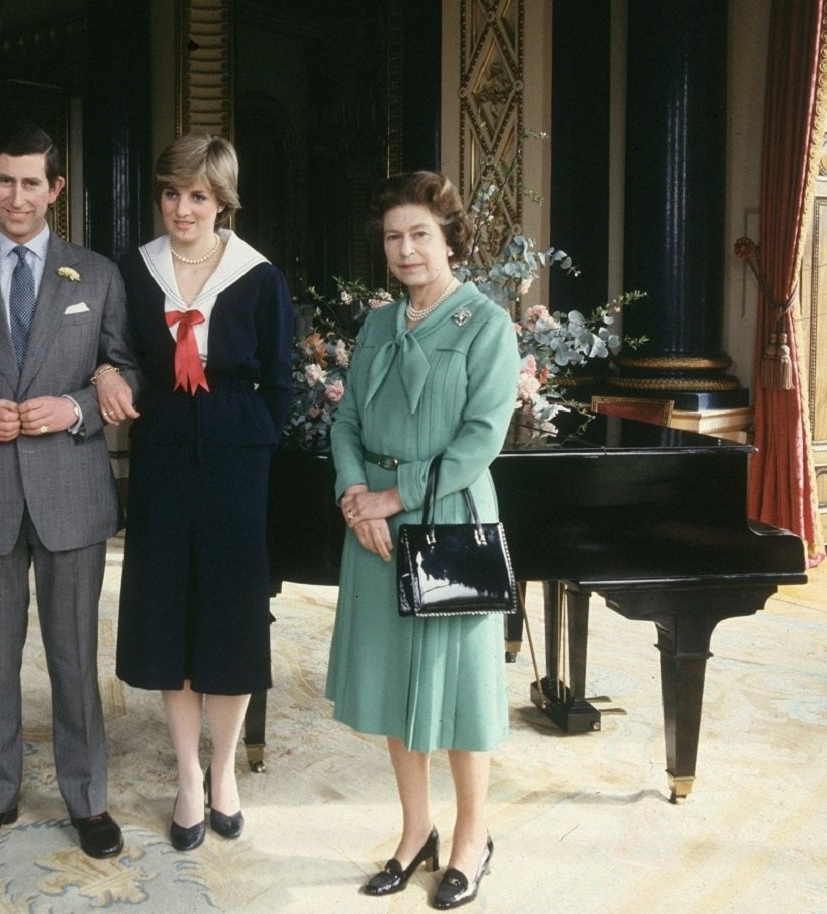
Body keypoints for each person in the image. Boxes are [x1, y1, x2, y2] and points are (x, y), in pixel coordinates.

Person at [0, 122, 138, 862]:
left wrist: (74, 407)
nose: (16, 196)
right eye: (3, 180)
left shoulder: (97, 276)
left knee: (74, 657)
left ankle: (87, 800)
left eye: (31, 182)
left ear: (55, 190)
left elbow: (125, 371)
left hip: (71, 493)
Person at [326, 171, 518, 910]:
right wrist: (356, 498)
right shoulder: (376, 324)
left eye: (420, 236)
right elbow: (346, 423)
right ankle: (416, 834)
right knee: (391, 684)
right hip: (372, 528)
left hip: (451, 524)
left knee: (461, 693)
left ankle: (473, 838)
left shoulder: (486, 324)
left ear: (449, 241)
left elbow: (479, 440)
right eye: (393, 237)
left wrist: (394, 496)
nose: (405, 250)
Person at [102, 133, 293, 851]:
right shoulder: (136, 270)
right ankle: (186, 775)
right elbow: (114, 354)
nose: (183, 209)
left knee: (231, 611)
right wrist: (103, 377)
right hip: (162, 452)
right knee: (168, 609)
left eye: (199, 197)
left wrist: (252, 435)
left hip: (237, 456)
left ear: (223, 202)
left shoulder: (257, 277)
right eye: (173, 193)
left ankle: (223, 772)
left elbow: (280, 378)